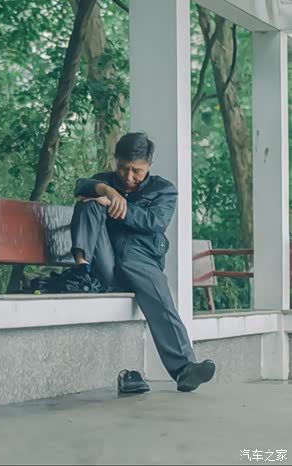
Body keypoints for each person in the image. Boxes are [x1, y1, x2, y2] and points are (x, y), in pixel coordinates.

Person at [66, 131, 215, 394]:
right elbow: (81, 185)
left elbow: (154, 222)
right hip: (105, 264)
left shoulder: (164, 190)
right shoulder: (105, 181)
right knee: (89, 203)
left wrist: (117, 206)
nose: (128, 176)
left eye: (137, 171)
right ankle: (82, 269)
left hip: (141, 260)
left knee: (162, 302)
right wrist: (106, 191)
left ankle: (185, 369)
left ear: (149, 165)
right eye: (123, 168)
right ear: (116, 161)